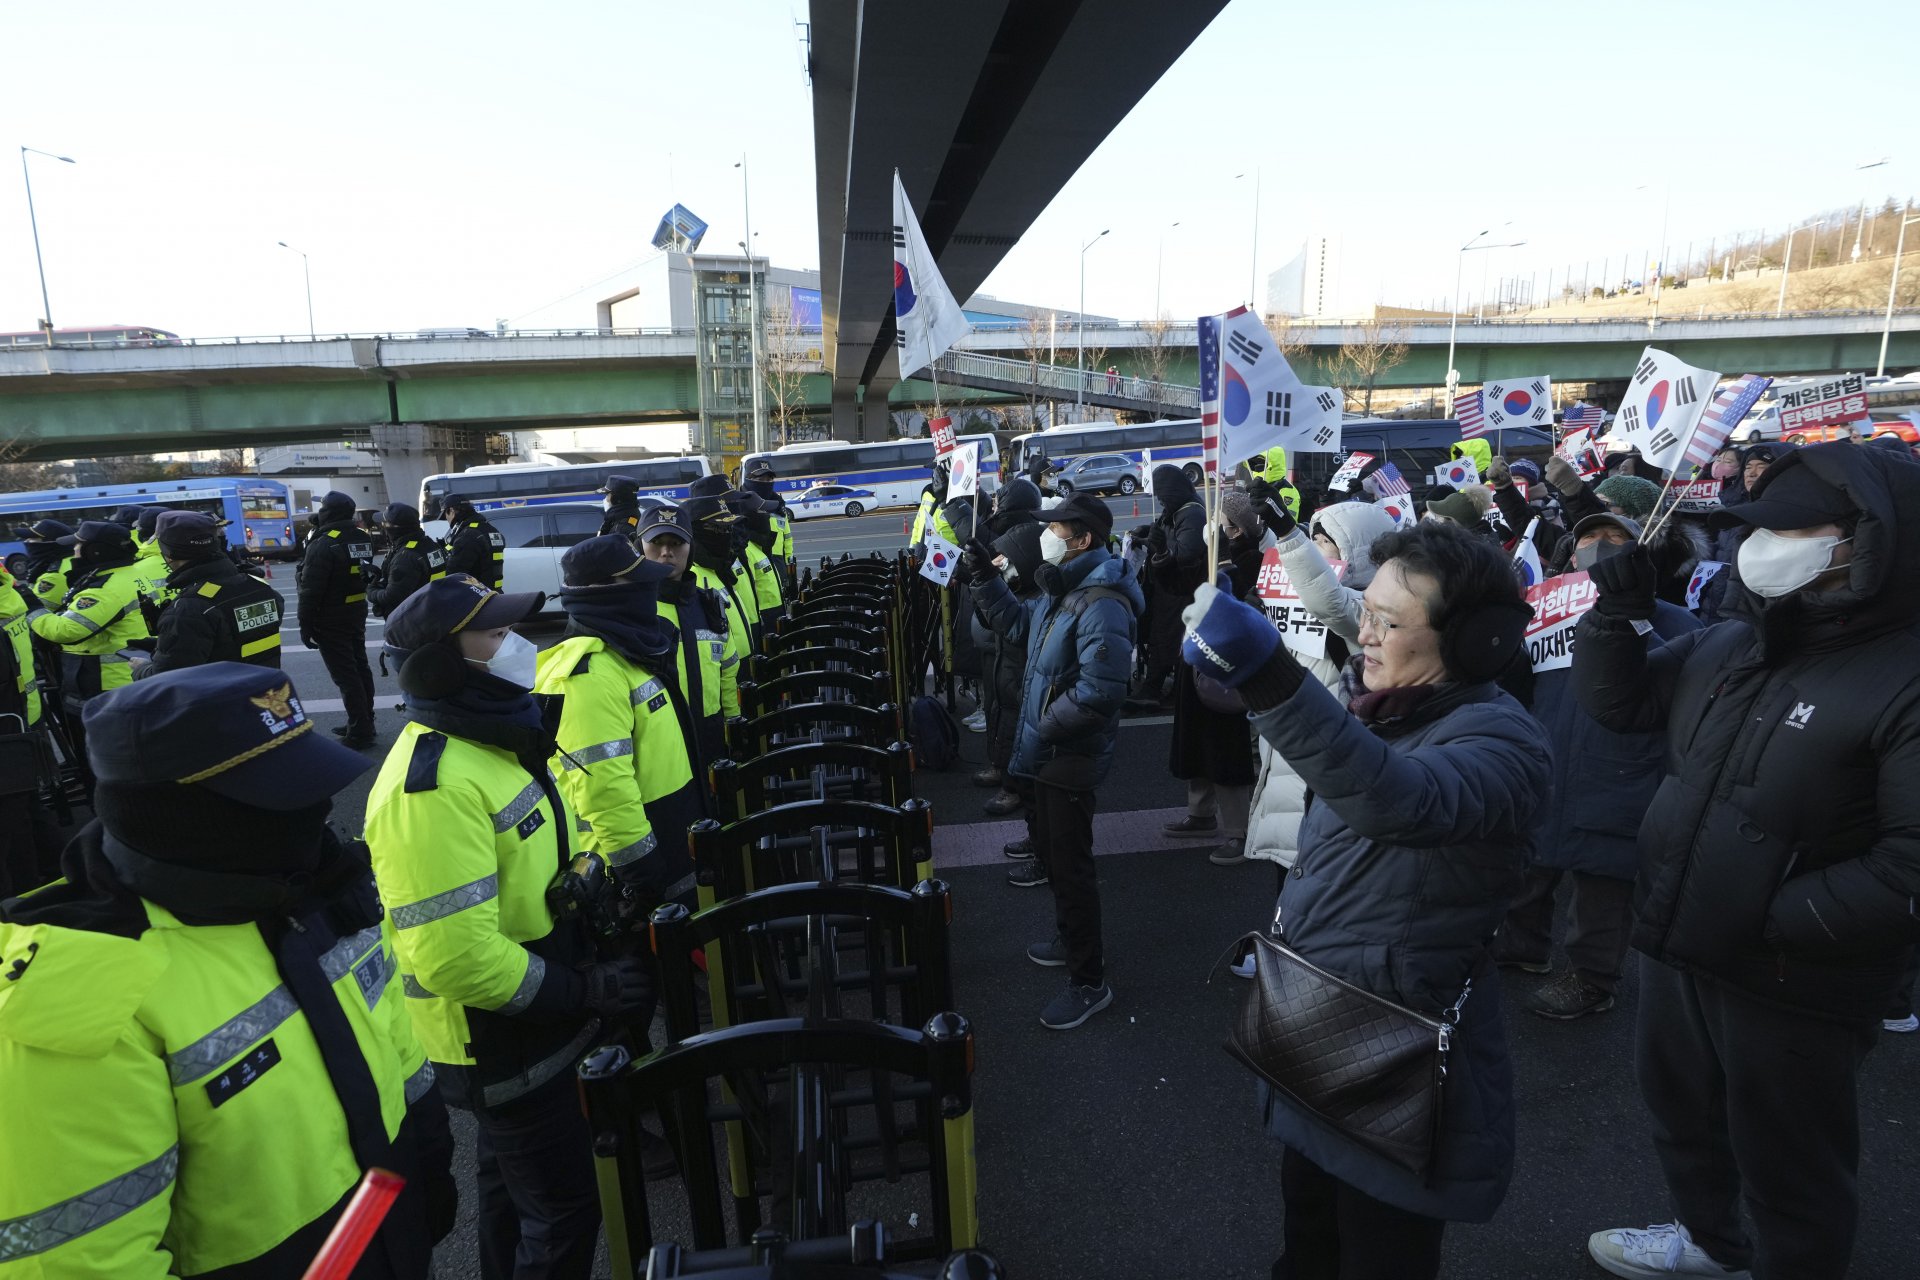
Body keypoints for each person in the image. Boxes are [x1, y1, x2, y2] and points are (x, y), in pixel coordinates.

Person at [1577, 442, 1920, 1280]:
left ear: (1870, 541)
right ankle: (1710, 1242)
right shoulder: (1733, 642)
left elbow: (1910, 866)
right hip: (1680, 940)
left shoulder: (1905, 676)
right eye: (1759, 528)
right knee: (1684, 1113)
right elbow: (1622, 705)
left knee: (1790, 1161)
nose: (1764, 545)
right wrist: (1614, 615)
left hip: (1793, 975)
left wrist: (1771, 919)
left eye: (1794, 528)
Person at [1178, 520, 1548, 1280]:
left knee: (1380, 1255)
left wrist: (1270, 675)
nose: (1364, 632)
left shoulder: (1504, 744)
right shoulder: (1389, 706)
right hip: (1321, 1028)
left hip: (1395, 1055)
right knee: (1308, 1240)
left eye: (1387, 621)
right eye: (1364, 609)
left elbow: (1398, 800)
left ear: (1474, 643)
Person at [0, 664, 456, 1278]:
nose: (314, 812)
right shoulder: (82, 994)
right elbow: (82, 1258)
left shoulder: (305, 887)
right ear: (175, 811)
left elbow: (393, 1041)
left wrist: (429, 1157)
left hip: (382, 1238)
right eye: (279, 796)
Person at [365, 575, 652, 1280]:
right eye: (494, 635)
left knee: (511, 1200)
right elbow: (457, 959)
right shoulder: (430, 786)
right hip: (499, 1037)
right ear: (441, 663)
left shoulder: (497, 741)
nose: (517, 646)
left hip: (535, 1018)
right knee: (562, 1214)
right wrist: (580, 990)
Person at [1495, 512, 1699, 1020]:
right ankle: (1523, 947)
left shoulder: (1676, 622)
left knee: (1603, 882)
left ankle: (1592, 978)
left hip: (1623, 769)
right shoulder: (1544, 612)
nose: (1599, 547)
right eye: (1588, 538)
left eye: (1615, 538)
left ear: (1642, 552)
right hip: (1549, 754)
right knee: (1532, 862)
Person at [964, 491, 1142, 1030]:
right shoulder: (1060, 587)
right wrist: (985, 579)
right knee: (1056, 856)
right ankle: (1069, 941)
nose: (1048, 537)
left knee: (1072, 868)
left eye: (1057, 530)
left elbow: (1101, 691)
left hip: (1069, 753)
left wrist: (1044, 724)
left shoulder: (1102, 601)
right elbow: (1019, 629)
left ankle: (1089, 980)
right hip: (1046, 749)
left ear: (1083, 539)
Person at [535, 536, 701, 916]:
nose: (649, 590)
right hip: (634, 863)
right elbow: (605, 794)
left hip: (669, 835)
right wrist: (642, 875)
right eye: (637, 582)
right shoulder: (588, 674)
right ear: (599, 592)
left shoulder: (626, 650)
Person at [1165, 490, 1265, 865]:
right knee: (1197, 744)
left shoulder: (1252, 563)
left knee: (1228, 753)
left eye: (1220, 522)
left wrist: (1225, 567)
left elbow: (1243, 611)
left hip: (1228, 672)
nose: (1212, 527)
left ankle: (1239, 830)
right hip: (1196, 666)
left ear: (1236, 530)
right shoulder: (1209, 560)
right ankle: (1200, 813)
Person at [640, 506, 740, 773]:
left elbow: (727, 673)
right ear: (640, 548)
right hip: (661, 749)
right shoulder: (633, 613)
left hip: (712, 740)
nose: (666, 552)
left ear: (690, 549)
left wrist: (733, 725)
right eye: (656, 543)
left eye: (676, 543)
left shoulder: (710, 606)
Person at [27, 520, 152, 727]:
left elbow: (66, 630)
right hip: (135, 676)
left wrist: (33, 609)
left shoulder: (104, 590)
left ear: (95, 552)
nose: (74, 551)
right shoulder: (135, 573)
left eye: (78, 546)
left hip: (110, 684)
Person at [133, 510, 286, 677]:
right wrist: (168, 643)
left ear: (168, 553)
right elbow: (234, 637)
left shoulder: (190, 607)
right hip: (267, 694)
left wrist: (142, 669)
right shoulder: (257, 585)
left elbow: (169, 679)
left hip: (221, 700)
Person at [971, 478, 1043, 808]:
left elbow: (1005, 580)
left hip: (1019, 637)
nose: (995, 510)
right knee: (1001, 705)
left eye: (1000, 504)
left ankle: (1014, 786)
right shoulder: (1018, 533)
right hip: (1007, 637)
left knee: (1014, 709)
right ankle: (1002, 768)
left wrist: (987, 574)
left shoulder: (1024, 537)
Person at [297, 490, 379, 748]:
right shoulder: (360, 536)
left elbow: (311, 590)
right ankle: (364, 719)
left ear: (327, 513)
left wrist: (305, 625)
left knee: (346, 675)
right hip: (355, 612)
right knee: (359, 667)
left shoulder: (323, 543)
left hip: (330, 617)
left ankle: (360, 729)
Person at [1130, 463, 1206, 711]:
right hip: (1170, 586)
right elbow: (1164, 528)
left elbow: (1187, 553)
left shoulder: (1192, 513)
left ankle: (1156, 690)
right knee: (1162, 637)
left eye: (1162, 497)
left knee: (1167, 639)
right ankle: (1163, 688)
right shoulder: (1179, 508)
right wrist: (1147, 532)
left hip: (1181, 589)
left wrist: (1156, 547)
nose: (1160, 501)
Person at [369, 503, 449, 618]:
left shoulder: (406, 556)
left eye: (384, 523)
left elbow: (392, 596)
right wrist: (380, 576)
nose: (382, 526)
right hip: (434, 611)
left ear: (393, 528)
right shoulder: (430, 544)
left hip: (412, 622)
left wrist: (371, 590)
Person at [441, 495, 506, 591]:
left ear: (451, 511)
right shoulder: (491, 530)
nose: (447, 520)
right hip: (494, 594)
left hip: (476, 598)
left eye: (445, 515)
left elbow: (453, 574)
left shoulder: (468, 535)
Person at [15, 518, 74, 608]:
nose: (27, 541)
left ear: (49, 544)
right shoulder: (50, 563)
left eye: (32, 538)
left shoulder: (54, 575)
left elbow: (29, 608)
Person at [598, 475, 644, 540]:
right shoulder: (628, 517)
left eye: (607, 495)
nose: (605, 499)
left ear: (617, 499)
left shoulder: (620, 530)